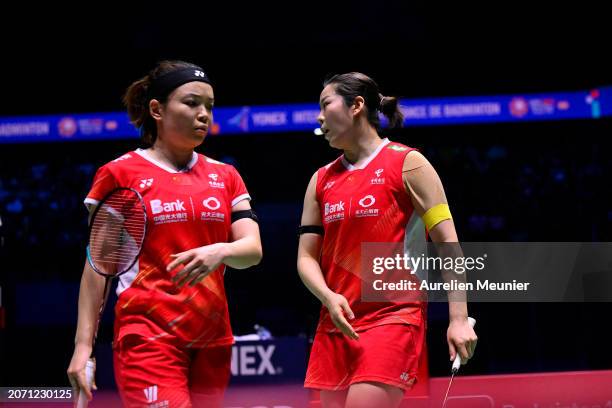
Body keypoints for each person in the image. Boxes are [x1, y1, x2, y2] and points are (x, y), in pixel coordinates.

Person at [67, 60, 263, 407]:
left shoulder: (226, 175)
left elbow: (252, 249)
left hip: (213, 340)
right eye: (191, 103)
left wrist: (220, 251)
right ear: (156, 109)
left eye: (210, 106)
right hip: (148, 337)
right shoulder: (121, 174)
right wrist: (83, 349)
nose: (204, 114)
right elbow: (99, 268)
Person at [297, 72, 477, 408]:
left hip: (392, 317)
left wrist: (458, 319)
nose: (319, 117)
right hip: (336, 322)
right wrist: (328, 296)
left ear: (357, 106)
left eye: (325, 104)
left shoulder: (408, 164)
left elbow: (448, 245)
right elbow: (306, 258)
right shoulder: (320, 181)